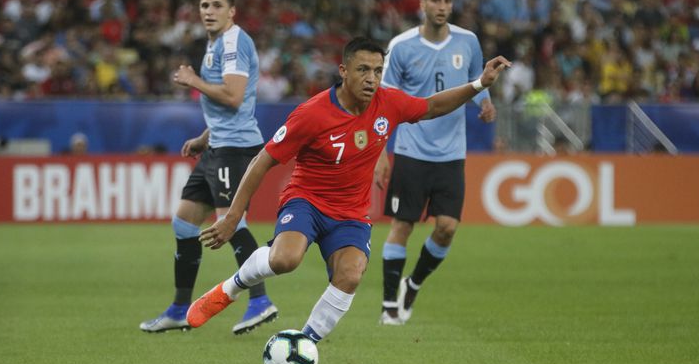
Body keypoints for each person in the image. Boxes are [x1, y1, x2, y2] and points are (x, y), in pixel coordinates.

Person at [185, 36, 509, 343]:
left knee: (351, 275)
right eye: (363, 70)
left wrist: (479, 84)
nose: (372, 78)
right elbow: (262, 161)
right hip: (306, 202)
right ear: (343, 71)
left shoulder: (389, 103)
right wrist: (232, 216)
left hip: (351, 214)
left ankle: (304, 343)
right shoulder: (312, 114)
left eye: (378, 71)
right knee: (285, 259)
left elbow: (432, 106)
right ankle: (228, 289)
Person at [139, 0, 278, 334]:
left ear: (232, 11)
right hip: (218, 145)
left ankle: (260, 301)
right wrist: (204, 137)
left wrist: (193, 80)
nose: (209, 12)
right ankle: (178, 309)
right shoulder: (216, 43)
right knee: (184, 222)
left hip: (236, 148)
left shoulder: (234, 41)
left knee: (231, 224)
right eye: (204, 5)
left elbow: (232, 96)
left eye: (217, 5)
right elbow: (231, 106)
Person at [374, 0, 498, 325]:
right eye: (436, 0)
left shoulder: (468, 41)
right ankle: (388, 306)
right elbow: (382, 103)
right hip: (412, 150)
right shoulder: (400, 47)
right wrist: (380, 153)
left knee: (446, 227)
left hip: (451, 153)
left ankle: (412, 285)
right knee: (403, 225)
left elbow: (476, 80)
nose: (442, 6)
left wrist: (484, 103)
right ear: (422, 4)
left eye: (447, 0)